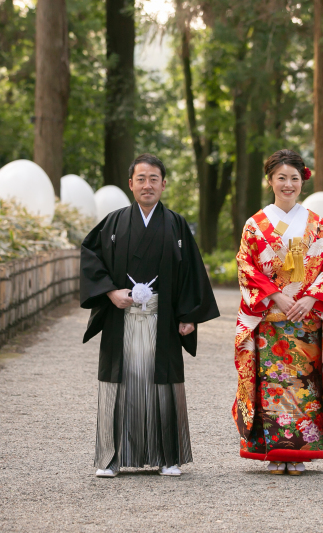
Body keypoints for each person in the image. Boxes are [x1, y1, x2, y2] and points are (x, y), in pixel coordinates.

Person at [80, 153, 219, 478]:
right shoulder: (113, 222)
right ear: (131, 184)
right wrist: (110, 292)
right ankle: (111, 459)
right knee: (121, 384)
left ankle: (167, 457)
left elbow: (191, 273)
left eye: (153, 179)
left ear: (163, 184)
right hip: (122, 315)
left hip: (163, 318)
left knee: (163, 385)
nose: (147, 185)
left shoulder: (176, 224)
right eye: (140, 179)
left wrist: (188, 315)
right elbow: (89, 255)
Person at [232, 149, 323, 476]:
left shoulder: (317, 224)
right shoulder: (255, 226)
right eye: (281, 177)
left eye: (294, 178)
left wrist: (310, 299)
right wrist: (275, 296)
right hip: (271, 319)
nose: (288, 184)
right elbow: (246, 266)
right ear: (270, 181)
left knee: (303, 386)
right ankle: (274, 450)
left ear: (302, 181)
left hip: (305, 320)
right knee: (272, 385)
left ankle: (297, 453)